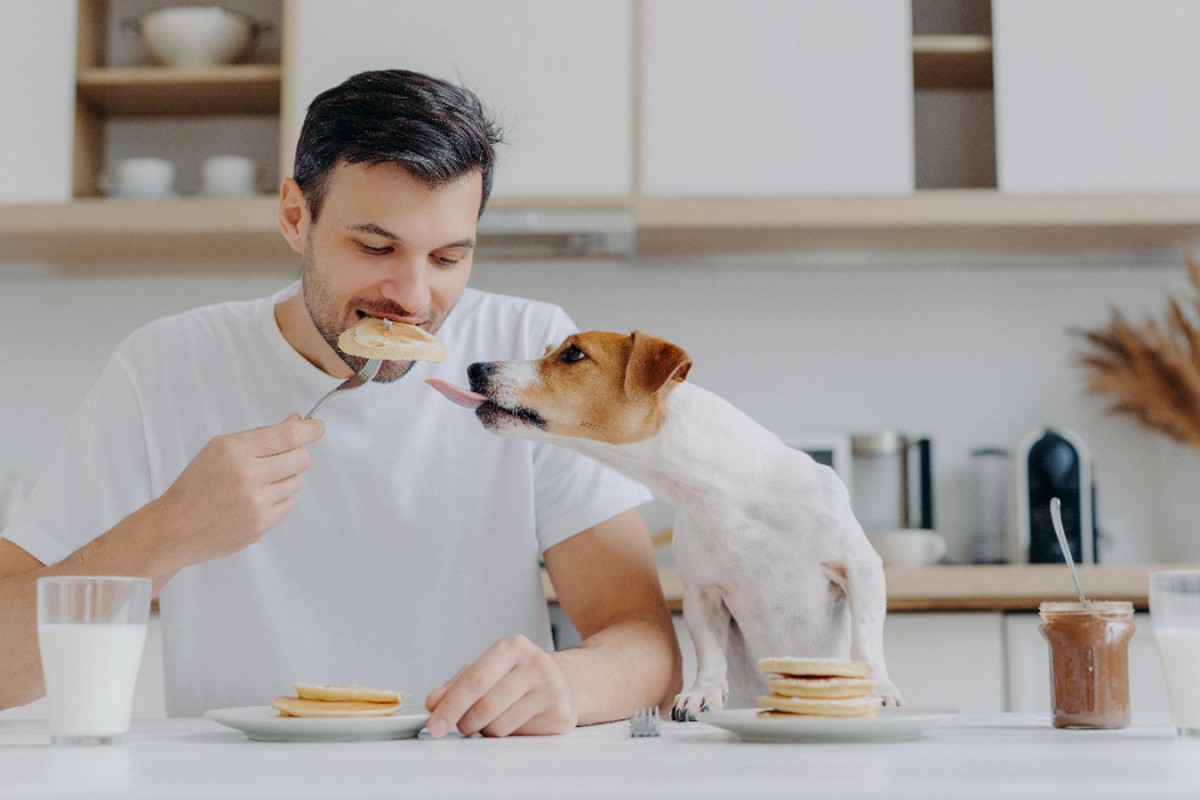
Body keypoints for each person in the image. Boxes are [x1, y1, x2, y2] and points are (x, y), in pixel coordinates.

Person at [0, 69, 680, 738]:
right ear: (296, 217)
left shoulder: (529, 355)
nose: (412, 299)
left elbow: (647, 649)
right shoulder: (167, 367)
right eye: (376, 246)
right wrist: (172, 529)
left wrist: (569, 684)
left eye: (447, 258)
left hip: (469, 774)